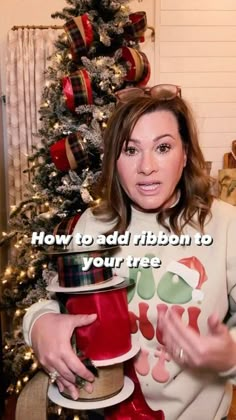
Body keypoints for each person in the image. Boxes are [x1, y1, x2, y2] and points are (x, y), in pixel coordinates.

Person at [23, 84, 236, 420]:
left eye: (163, 147)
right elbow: (62, 304)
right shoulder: (91, 227)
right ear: (114, 161)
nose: (146, 167)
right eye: (131, 150)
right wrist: (39, 324)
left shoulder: (225, 225)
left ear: (185, 155)